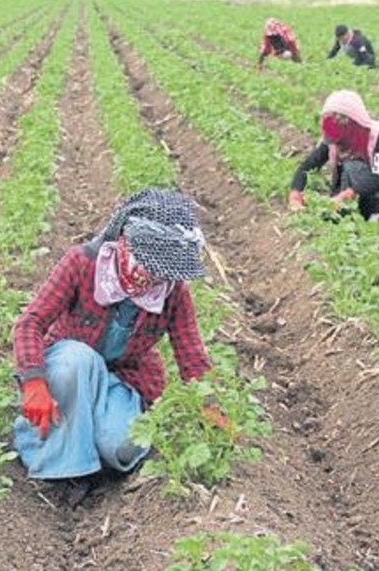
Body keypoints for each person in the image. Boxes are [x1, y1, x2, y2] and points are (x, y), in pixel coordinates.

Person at [12, 189, 223, 482]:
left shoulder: (173, 294)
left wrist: (212, 409)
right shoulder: (83, 264)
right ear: (123, 241)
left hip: (122, 380)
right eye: (147, 265)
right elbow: (30, 323)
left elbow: (192, 359)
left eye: (160, 272)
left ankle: (92, 451)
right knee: (77, 358)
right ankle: (62, 468)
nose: (150, 278)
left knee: (123, 448)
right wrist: (34, 380)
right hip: (71, 372)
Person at [288, 90, 379, 221]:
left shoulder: (377, 134)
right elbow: (307, 166)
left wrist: (345, 196)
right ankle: (350, 215)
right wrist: (295, 194)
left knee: (352, 166)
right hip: (351, 193)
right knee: (345, 173)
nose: (339, 144)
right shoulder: (333, 140)